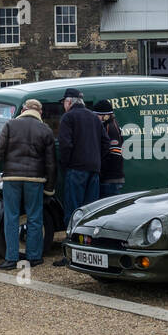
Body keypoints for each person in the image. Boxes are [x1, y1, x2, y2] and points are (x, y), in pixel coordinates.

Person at [0, 97, 57, 270]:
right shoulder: (45, 130)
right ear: (40, 112)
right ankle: (34, 257)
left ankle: (11, 258)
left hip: (11, 179)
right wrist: (49, 189)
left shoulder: (10, 125)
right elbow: (51, 164)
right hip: (35, 180)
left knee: (11, 218)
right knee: (35, 218)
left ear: (23, 110)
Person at [54, 88, 108, 265]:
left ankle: (70, 253)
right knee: (90, 212)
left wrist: (66, 164)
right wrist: (97, 159)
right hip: (94, 170)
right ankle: (88, 252)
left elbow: (65, 145)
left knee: (73, 212)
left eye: (64, 102)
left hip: (76, 170)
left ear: (69, 102)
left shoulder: (68, 118)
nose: (64, 105)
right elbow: (105, 142)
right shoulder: (94, 117)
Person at [97, 100, 125, 197]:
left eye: (98, 115)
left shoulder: (111, 128)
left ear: (106, 116)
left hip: (110, 179)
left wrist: (102, 173)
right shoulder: (112, 125)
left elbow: (114, 154)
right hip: (112, 178)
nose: (96, 118)